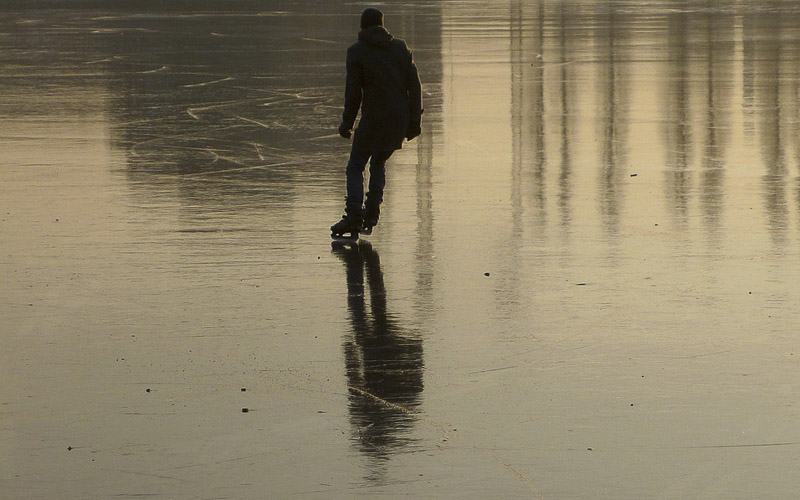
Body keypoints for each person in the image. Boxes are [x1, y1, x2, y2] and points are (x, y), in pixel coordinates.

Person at [330, 7, 423, 240]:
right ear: (383, 25)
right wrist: (414, 121)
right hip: (398, 120)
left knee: (356, 165)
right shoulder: (401, 49)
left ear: (362, 27)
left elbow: (353, 94)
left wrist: (346, 124)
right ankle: (371, 213)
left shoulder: (356, 52)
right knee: (379, 161)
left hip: (373, 119)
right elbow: (415, 86)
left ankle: (353, 215)